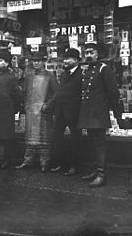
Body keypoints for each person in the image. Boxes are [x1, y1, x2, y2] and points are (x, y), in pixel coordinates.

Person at [77, 43, 121, 188]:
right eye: (86, 52)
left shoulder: (104, 69)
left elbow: (113, 92)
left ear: (97, 54)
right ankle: (95, 171)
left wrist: (117, 114)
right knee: (92, 143)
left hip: (98, 113)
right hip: (88, 112)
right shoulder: (86, 70)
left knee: (100, 144)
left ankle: (102, 174)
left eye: (92, 52)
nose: (88, 55)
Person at [16, 52, 58, 172]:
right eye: (34, 61)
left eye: (38, 61)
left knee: (43, 137)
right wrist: (25, 104)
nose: (36, 63)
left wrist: (47, 105)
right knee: (30, 137)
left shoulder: (50, 76)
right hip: (30, 110)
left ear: (43, 62)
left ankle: (44, 162)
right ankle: (27, 160)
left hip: (43, 110)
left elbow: (56, 93)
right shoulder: (29, 76)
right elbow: (24, 92)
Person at [50, 48, 82, 176]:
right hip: (60, 111)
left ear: (76, 60)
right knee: (57, 138)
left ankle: (74, 166)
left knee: (75, 140)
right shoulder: (64, 74)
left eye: (68, 58)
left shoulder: (81, 74)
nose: (65, 61)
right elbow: (59, 92)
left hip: (74, 112)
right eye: (65, 58)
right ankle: (60, 164)